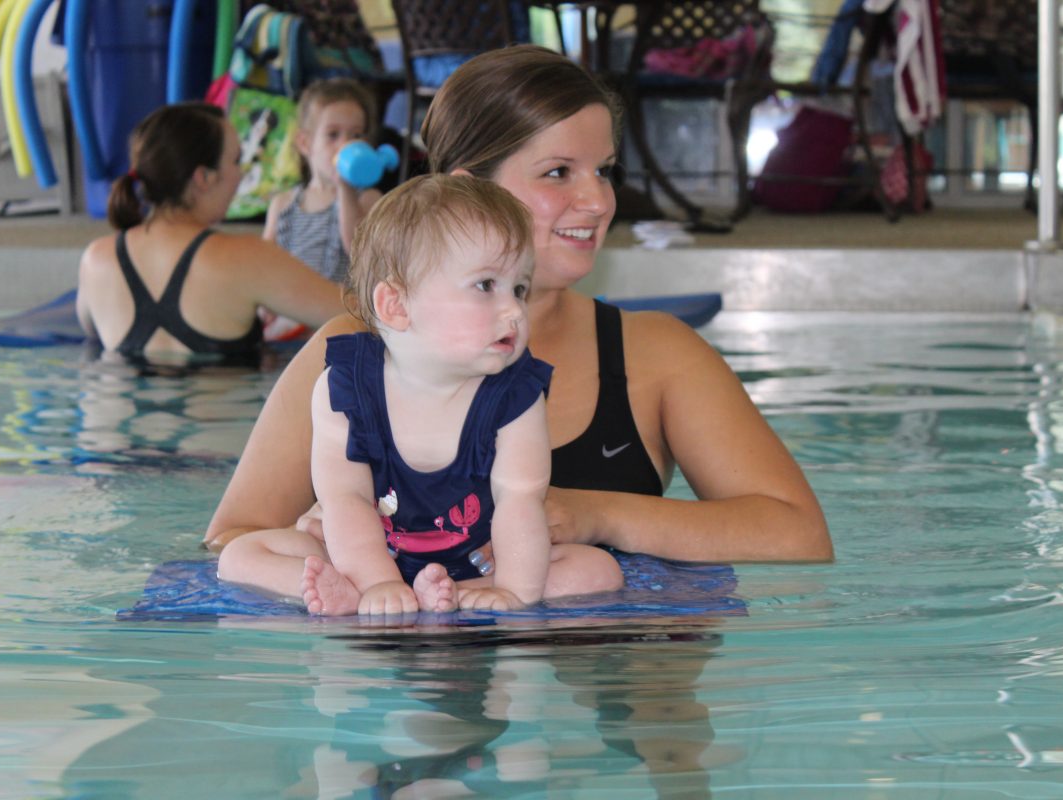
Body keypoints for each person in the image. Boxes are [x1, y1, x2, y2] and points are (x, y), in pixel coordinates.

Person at [205, 45, 831, 570]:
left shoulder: (654, 354)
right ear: (466, 189)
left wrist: (594, 514)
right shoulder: (352, 353)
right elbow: (230, 542)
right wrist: (320, 549)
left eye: (604, 170)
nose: (597, 201)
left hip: (609, 694)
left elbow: (799, 536)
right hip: (400, 691)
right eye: (558, 172)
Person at [217, 173, 624, 615]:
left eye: (519, 289)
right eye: (486, 285)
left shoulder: (515, 397)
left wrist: (512, 591)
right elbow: (346, 500)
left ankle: (455, 595)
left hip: (475, 563)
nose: (514, 310)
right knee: (239, 555)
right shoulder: (346, 389)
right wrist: (377, 584)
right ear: (396, 305)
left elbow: (521, 502)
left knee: (597, 569)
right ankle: (351, 593)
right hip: (365, 555)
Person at [76, 102, 345, 362]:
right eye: (236, 160)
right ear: (203, 177)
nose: (242, 175)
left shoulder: (96, 258)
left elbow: (92, 333)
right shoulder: (246, 258)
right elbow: (358, 314)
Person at [262, 79, 381, 283]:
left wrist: (345, 188)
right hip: (289, 305)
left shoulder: (368, 199)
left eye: (356, 135)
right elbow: (264, 261)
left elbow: (358, 251)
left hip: (339, 308)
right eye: (333, 135)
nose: (345, 145)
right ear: (305, 143)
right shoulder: (282, 203)